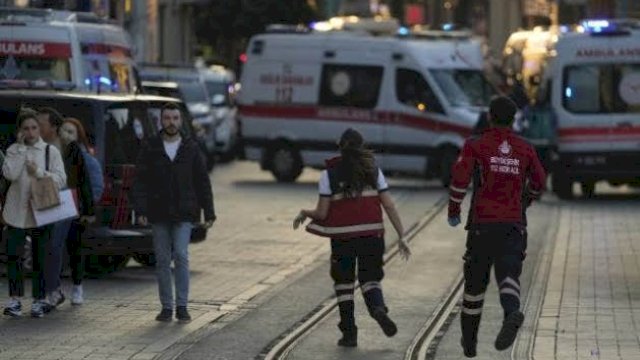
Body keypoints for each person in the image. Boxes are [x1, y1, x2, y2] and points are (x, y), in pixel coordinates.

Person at [447, 96, 546, 357]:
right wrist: (526, 200)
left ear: (489, 116)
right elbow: (540, 181)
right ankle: (512, 312)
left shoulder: (475, 145)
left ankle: (469, 344)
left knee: (475, 286)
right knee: (508, 276)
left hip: (482, 225)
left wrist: (454, 210)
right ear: (513, 119)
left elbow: (459, 181)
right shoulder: (524, 147)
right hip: (513, 225)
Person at [293, 128, 411, 348]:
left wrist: (304, 213)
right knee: (370, 279)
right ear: (362, 146)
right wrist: (402, 236)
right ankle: (377, 308)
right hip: (372, 235)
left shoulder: (328, 174)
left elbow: (322, 213)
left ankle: (349, 334)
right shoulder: (374, 170)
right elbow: (389, 205)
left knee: (344, 284)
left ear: (340, 146)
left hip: (343, 238)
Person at [132, 102, 216, 323]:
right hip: (158, 211)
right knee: (162, 259)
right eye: (167, 118)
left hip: (184, 211)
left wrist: (209, 212)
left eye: (175, 118)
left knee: (181, 255)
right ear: (161, 120)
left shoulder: (191, 147)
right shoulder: (151, 146)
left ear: (181, 121)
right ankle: (166, 307)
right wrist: (140, 209)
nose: (171, 122)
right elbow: (140, 180)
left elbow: (202, 180)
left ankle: (182, 305)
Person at [2, 108, 66, 318]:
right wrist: (20, 149)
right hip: (15, 211)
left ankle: (39, 299)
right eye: (26, 128)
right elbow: (9, 174)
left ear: (39, 129)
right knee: (14, 256)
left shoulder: (50, 151)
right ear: (20, 130)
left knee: (40, 256)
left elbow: (60, 179)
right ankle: (15, 299)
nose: (30, 132)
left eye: (34, 128)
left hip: (41, 210)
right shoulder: (14, 149)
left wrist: (38, 172)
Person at [44, 117, 96, 307]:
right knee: (54, 247)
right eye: (64, 130)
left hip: (74, 205)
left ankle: (77, 286)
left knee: (75, 247)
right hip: (54, 203)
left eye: (71, 132)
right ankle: (54, 288)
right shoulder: (49, 149)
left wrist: (89, 209)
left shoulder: (75, 151)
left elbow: (85, 180)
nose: (67, 135)